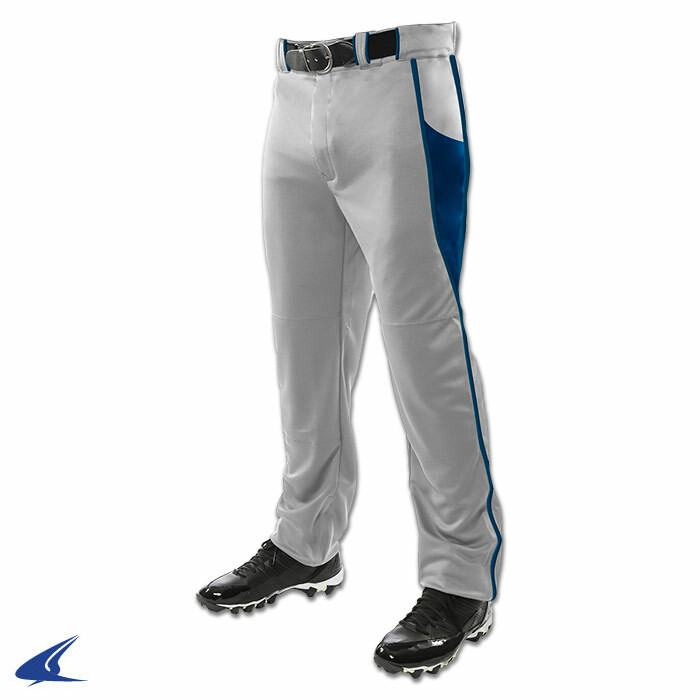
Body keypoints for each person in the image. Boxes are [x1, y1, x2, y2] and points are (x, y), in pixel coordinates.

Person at [197, 22, 504, 679]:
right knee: (303, 339)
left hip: (401, 83)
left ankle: (460, 577)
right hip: (292, 89)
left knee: (423, 343)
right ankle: (305, 539)